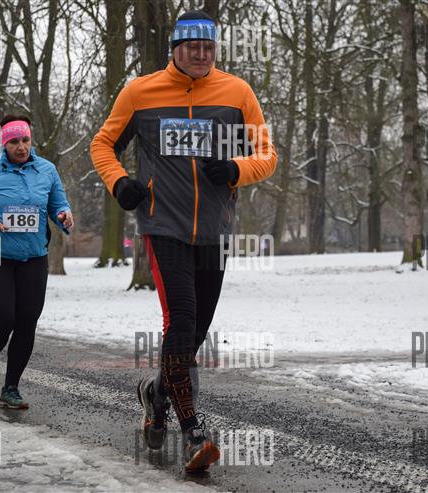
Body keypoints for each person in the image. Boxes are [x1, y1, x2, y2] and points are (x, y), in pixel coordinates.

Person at [91, 10, 277, 472]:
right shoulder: (140, 92)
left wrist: (236, 169)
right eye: (193, 47)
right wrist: (119, 182)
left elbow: (267, 155)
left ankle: (156, 395)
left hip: (213, 229)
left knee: (194, 333)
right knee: (182, 319)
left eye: (208, 47)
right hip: (163, 225)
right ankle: (193, 429)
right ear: (174, 49)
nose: (201, 55)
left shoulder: (237, 93)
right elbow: (102, 144)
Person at [0, 115, 73, 409]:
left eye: (25, 140)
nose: (21, 147)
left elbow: (58, 204)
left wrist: (64, 216)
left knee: (27, 320)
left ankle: (11, 387)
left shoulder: (47, 170)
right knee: (2, 318)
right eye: (14, 142)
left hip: (34, 257)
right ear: (4, 144)